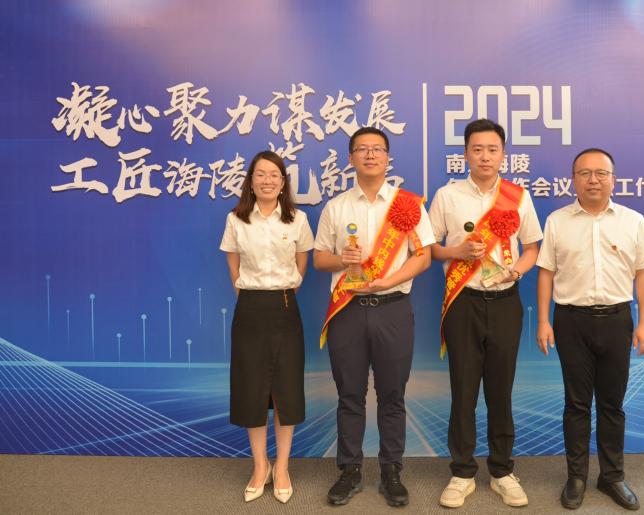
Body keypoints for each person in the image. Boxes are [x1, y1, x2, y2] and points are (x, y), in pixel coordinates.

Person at [313, 126, 435, 507]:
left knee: (392, 394)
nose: (370, 155)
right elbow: (319, 259)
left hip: (393, 309)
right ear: (350, 158)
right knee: (350, 394)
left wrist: (389, 281)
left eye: (377, 149)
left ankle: (391, 471)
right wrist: (341, 260)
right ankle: (349, 470)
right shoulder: (336, 207)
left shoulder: (407, 204)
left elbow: (423, 257)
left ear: (387, 158)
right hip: (348, 311)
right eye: (362, 149)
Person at [536, 148, 644, 511]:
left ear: (613, 179)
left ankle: (612, 477)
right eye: (585, 173)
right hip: (571, 321)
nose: (593, 180)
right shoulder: (557, 221)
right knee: (576, 404)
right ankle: (576, 477)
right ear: (573, 180)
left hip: (617, 321)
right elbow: (546, 273)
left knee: (612, 405)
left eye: (601, 173)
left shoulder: (633, 221)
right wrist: (543, 320)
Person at [428, 119, 542, 508]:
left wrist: (517, 271)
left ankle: (502, 471)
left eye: (492, 149)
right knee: (463, 390)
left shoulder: (518, 196)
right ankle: (462, 473)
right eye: (477, 149)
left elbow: (532, 248)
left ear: (503, 155)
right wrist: (456, 252)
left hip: (506, 300)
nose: (485, 156)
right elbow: (429, 248)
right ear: (465, 154)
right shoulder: (447, 195)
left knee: (500, 390)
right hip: (464, 301)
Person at [219, 150, 314, 504]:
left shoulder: (298, 219)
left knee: (286, 390)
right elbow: (233, 262)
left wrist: (285, 289)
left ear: (283, 182)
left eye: (274, 174)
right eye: (260, 174)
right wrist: (247, 290)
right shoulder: (236, 219)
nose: (267, 180)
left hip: (285, 307)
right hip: (250, 309)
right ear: (251, 181)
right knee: (252, 389)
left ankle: (283, 466)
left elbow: (302, 262)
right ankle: (260, 465)